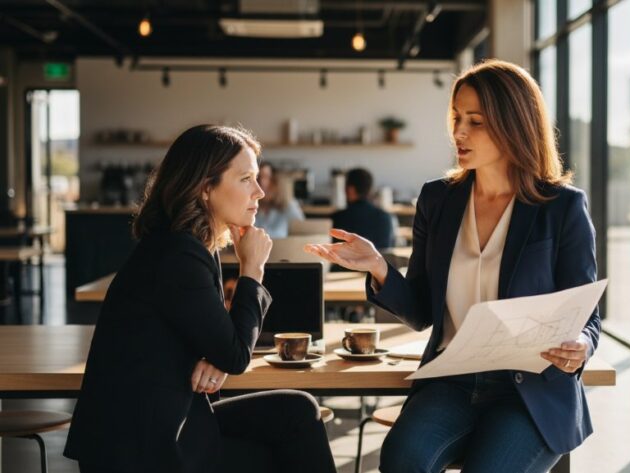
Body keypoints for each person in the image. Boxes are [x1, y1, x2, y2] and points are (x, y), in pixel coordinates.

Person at [305, 59, 600, 472]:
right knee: (400, 460)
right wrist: (378, 266)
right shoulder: (437, 201)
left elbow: (586, 317)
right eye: (457, 118)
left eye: (475, 121)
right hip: (451, 382)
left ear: (513, 124)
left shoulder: (562, 207)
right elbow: (423, 310)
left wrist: (581, 347)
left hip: (529, 391)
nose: (459, 132)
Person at [64, 125, 337, 473]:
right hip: (142, 449)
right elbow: (237, 353)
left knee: (297, 410)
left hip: (165, 421)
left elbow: (222, 344)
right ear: (206, 188)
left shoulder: (184, 245)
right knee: (279, 452)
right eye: (246, 179)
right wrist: (252, 268)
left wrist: (217, 353)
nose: (260, 191)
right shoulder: (178, 254)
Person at [330, 168, 395, 250]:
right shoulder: (386, 218)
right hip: (378, 262)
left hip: (345, 262)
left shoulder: (338, 218)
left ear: (350, 189)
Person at [254, 162, 304, 238]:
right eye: (258, 177)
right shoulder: (250, 208)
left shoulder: (285, 206)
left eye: (266, 177)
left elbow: (302, 226)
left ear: (275, 181)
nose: (262, 183)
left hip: (281, 248)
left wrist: (286, 198)